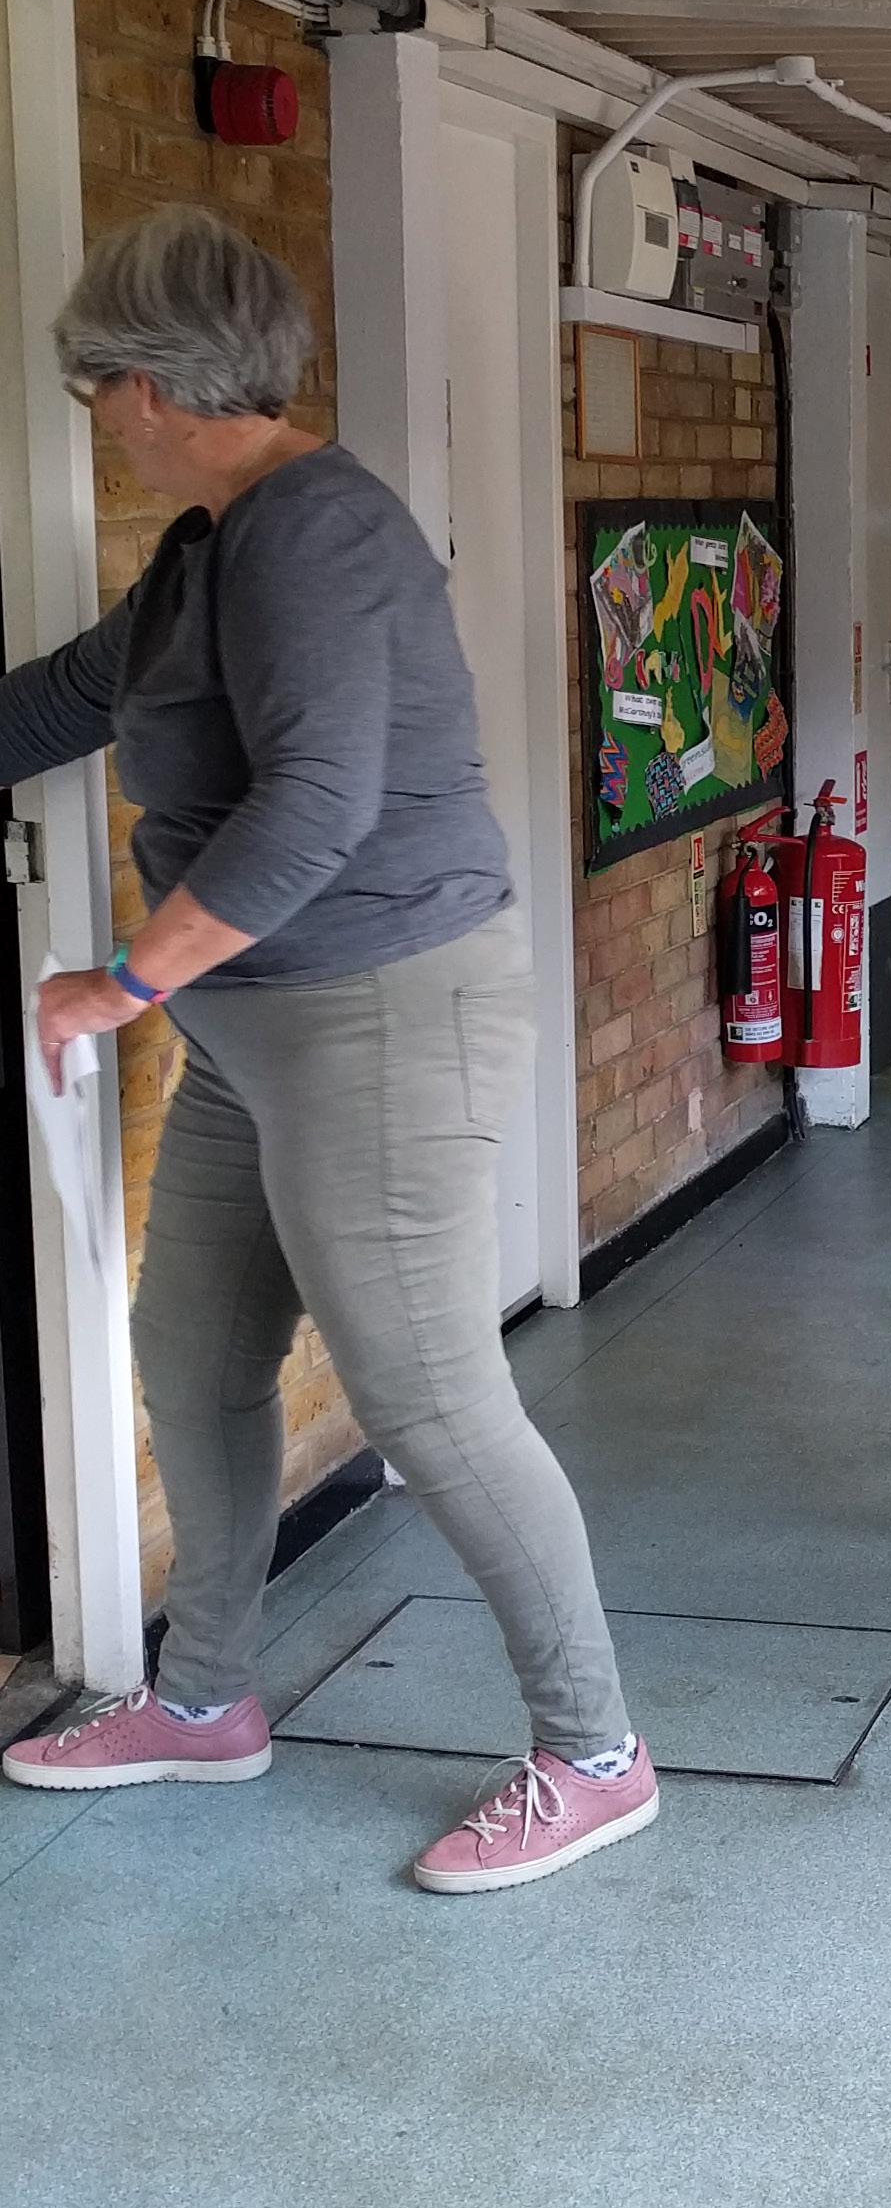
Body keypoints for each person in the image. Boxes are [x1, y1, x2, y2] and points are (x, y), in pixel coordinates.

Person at [0, 205, 657, 1895]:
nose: (101, 423)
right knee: (196, 1350)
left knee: (426, 1395)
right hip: (258, 1026)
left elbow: (315, 809)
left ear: (149, 386)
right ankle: (204, 1700)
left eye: (97, 395)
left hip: (381, 1008)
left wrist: (116, 985)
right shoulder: (210, 547)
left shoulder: (315, 534)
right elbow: (66, 698)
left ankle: (595, 1753)